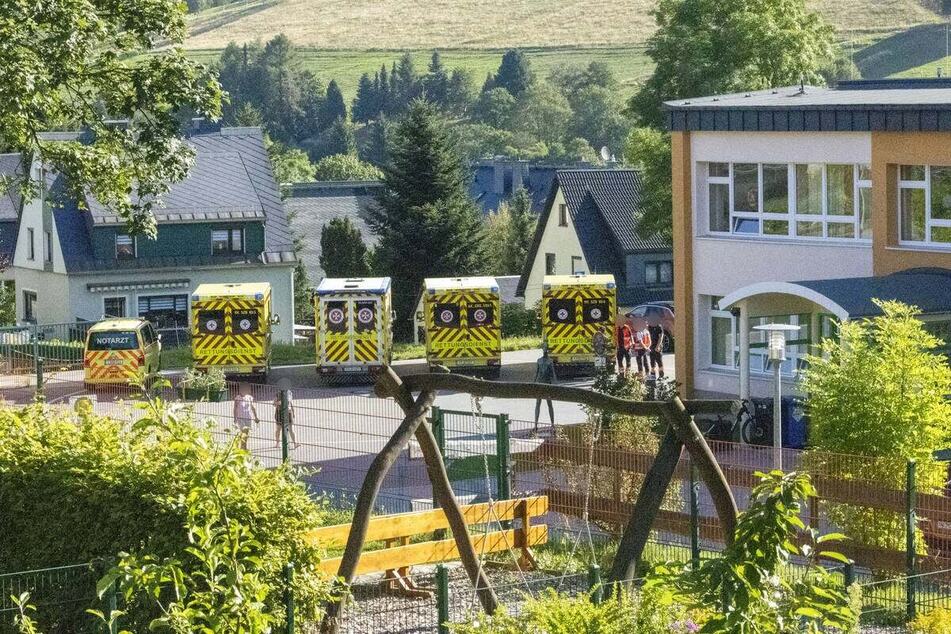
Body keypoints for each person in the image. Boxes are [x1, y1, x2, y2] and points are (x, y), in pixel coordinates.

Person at [532, 344, 557, 436]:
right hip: (540, 384)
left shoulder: (550, 361)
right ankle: (535, 425)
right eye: (544, 349)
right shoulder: (539, 361)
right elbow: (536, 373)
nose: (545, 350)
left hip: (547, 385)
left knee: (549, 404)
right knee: (538, 404)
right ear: (543, 350)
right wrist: (533, 384)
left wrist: (555, 385)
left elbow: (553, 374)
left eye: (546, 349)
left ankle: (552, 424)